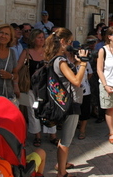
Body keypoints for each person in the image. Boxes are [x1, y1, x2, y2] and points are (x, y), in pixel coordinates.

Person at [44, 28, 88, 177]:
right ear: (62, 42)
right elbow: (76, 81)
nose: (71, 45)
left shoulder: (53, 59)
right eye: (69, 42)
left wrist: (75, 62)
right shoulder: (61, 61)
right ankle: (61, 172)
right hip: (70, 103)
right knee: (66, 140)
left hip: (62, 101)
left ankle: (62, 163)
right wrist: (83, 65)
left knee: (65, 137)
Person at [13, 29, 58, 147]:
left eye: (43, 37)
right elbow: (16, 69)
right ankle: (37, 135)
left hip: (47, 87)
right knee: (33, 112)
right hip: (32, 88)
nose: (42, 39)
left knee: (50, 110)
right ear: (33, 39)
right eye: (39, 37)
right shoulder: (27, 52)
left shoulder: (48, 52)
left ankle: (52, 134)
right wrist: (16, 85)